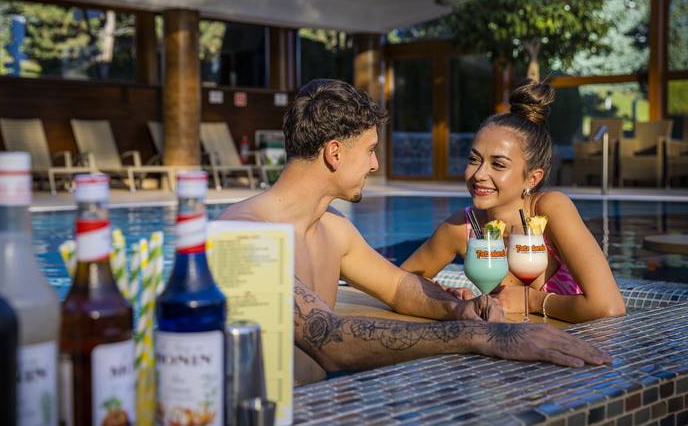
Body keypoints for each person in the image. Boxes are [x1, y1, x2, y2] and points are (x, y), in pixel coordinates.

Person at [219, 79, 611, 381]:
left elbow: (398, 286)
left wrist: (460, 310)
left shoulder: (334, 230)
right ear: (334, 153)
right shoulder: (243, 235)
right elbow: (331, 340)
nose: (375, 165)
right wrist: (483, 338)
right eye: (370, 150)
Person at [402, 80, 626, 323]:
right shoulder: (463, 228)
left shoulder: (550, 210)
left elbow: (609, 307)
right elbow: (398, 282)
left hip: (573, 344)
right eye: (474, 160)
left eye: (498, 164)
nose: (479, 174)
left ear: (532, 178)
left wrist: (531, 301)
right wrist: (446, 298)